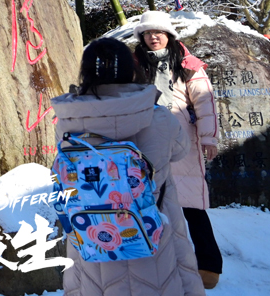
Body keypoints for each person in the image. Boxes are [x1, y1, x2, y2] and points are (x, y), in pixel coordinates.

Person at [52, 37, 204, 296]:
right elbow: (179, 151)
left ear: (86, 72)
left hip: (93, 237)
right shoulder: (158, 116)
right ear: (130, 69)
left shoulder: (68, 121)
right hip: (153, 234)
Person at [132, 11, 221, 290]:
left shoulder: (187, 63)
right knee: (152, 203)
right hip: (146, 139)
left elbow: (204, 100)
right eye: (147, 33)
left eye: (158, 32)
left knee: (191, 203)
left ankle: (209, 264)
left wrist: (209, 138)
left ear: (169, 35)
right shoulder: (135, 64)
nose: (153, 37)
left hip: (182, 138)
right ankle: (160, 262)